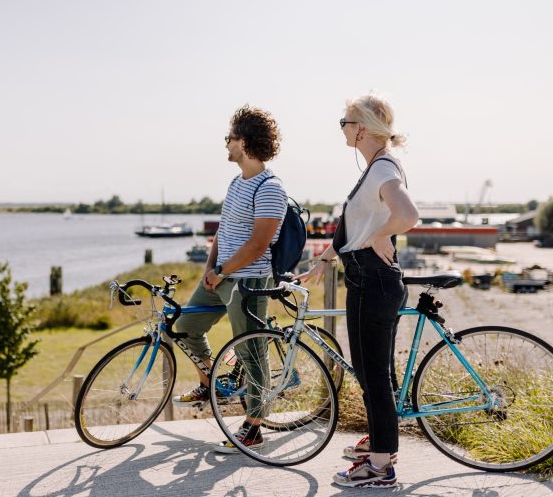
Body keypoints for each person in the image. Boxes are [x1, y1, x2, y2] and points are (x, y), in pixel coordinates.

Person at [297, 94, 418, 488]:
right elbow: (357, 227)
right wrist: (324, 259)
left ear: (361, 128)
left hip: (373, 281)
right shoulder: (377, 167)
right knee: (370, 372)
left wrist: (381, 235)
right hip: (366, 279)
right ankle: (381, 444)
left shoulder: (382, 169)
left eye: (344, 122)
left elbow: (408, 214)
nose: (342, 129)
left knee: (374, 375)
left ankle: (380, 465)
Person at [171, 105, 287, 454]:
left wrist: (222, 272)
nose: (226, 143)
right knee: (184, 326)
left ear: (246, 142)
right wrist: (211, 268)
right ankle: (211, 382)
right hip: (219, 278)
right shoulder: (237, 183)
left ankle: (253, 428)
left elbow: (258, 244)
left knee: (251, 353)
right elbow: (223, 232)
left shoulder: (270, 188)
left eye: (230, 137)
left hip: (248, 282)